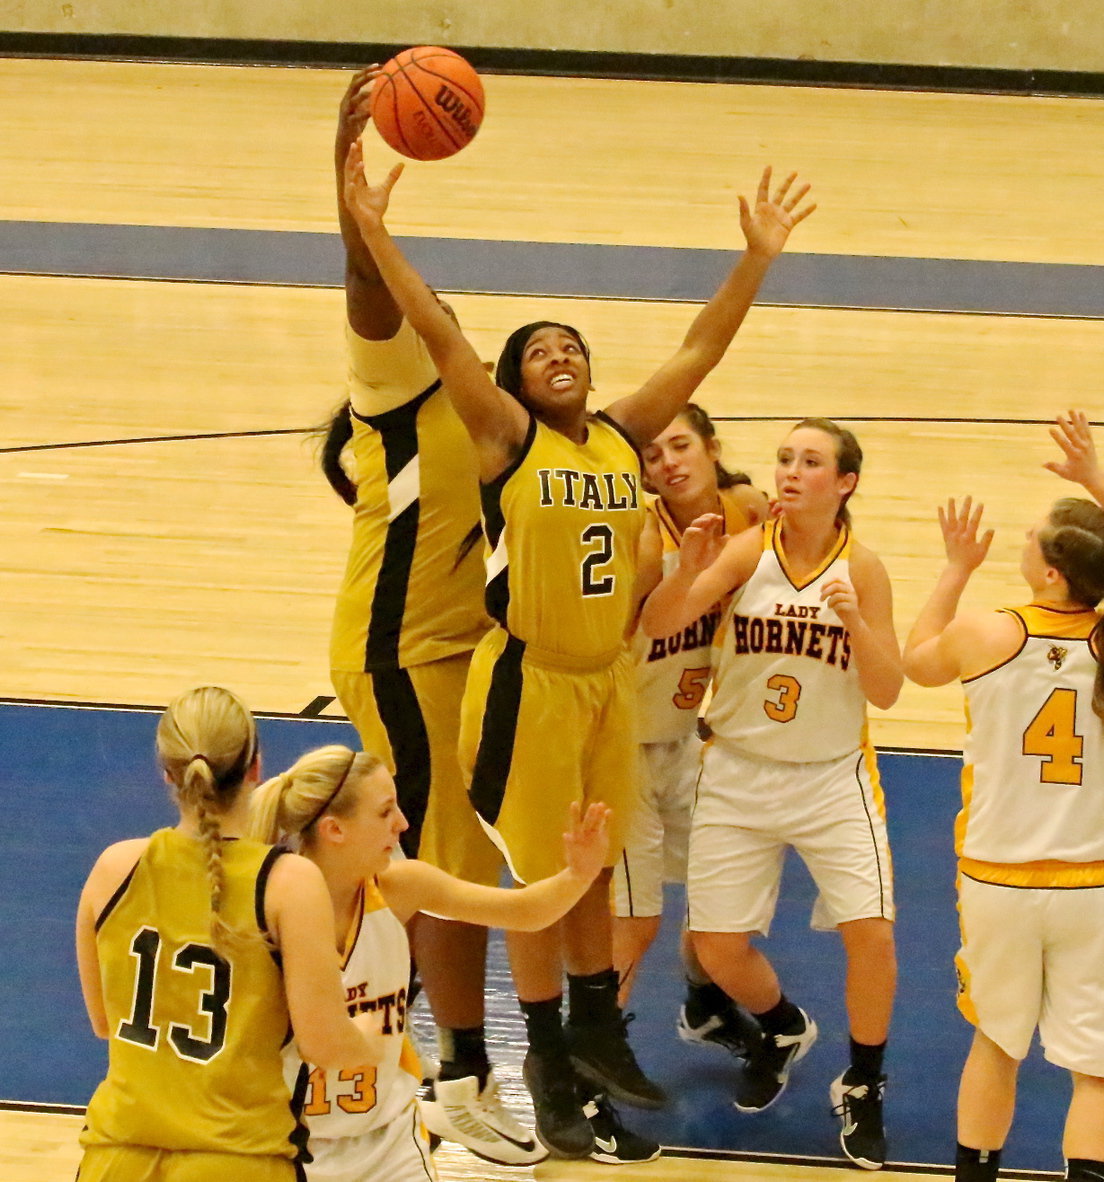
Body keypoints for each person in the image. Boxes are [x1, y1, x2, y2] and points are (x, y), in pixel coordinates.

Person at [342, 136, 814, 1158]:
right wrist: (376, 232)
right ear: (515, 379)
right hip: (529, 681)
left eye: (573, 344)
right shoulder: (508, 438)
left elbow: (698, 351)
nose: (562, 354)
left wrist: (755, 263)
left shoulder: (616, 433)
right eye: (540, 348)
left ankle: (598, 1031)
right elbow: (439, 336)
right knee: (538, 876)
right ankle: (546, 1064)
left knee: (595, 868)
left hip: (605, 683)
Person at [322, 67, 536, 1165]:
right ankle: (419, 1068)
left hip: (454, 657)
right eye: (426, 307)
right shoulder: (394, 379)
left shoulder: (478, 412)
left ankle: (441, 1063)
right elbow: (370, 296)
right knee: (422, 869)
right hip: (400, 653)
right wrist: (354, 210)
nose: (438, 313)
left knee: (436, 862)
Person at [902, 411, 1104, 1182]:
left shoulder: (987, 633)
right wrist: (1096, 479)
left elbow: (914, 662)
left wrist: (955, 567)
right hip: (1093, 887)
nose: (1023, 542)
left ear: (1051, 573)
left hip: (999, 879)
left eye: (1034, 536)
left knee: (996, 1044)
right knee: (1099, 1068)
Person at [641, 418, 902, 1169]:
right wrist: (685, 572)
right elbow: (660, 624)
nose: (790, 472)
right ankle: (782, 1024)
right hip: (738, 770)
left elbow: (885, 691)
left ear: (845, 483)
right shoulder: (748, 549)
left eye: (811, 462)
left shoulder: (866, 568)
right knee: (718, 950)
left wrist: (855, 625)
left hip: (830, 776)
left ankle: (865, 1085)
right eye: (785, 458)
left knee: (874, 937)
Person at [247, 743, 653, 1177]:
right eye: (385, 812)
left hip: (390, 1141)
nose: (402, 824)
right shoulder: (260, 912)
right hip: (292, 1147)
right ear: (334, 830)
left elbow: (526, 912)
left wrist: (579, 874)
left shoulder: (400, 887)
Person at [75, 685, 382, 1182]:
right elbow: (325, 1044)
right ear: (256, 767)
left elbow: (103, 1021)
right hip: (237, 1161)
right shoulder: (288, 883)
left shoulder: (114, 867)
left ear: (168, 775)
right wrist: (378, 1049)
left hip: (115, 1158)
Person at [616, 403, 768, 1058]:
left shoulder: (749, 510)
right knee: (635, 920)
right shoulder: (649, 542)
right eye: (654, 455)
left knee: (722, 889)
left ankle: (704, 1001)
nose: (670, 462)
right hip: (619, 745)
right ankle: (594, 1052)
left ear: (710, 448)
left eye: (680, 446)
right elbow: (639, 630)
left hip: (683, 737)